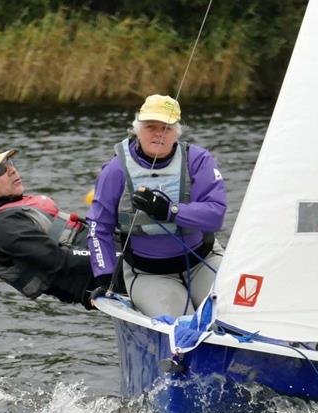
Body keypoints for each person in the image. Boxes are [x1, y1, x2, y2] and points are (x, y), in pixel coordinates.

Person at [87, 94, 227, 317]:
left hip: (203, 261)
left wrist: (171, 211)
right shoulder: (115, 170)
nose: (159, 133)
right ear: (137, 129)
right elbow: (98, 227)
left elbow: (216, 215)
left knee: (235, 313)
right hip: (149, 274)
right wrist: (104, 275)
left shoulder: (198, 160)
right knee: (183, 323)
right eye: (151, 126)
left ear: (177, 132)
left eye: (166, 128)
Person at [0, 148, 99, 308]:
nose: (12, 171)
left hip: (103, 251)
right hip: (97, 278)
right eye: (0, 170)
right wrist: (115, 257)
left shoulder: (12, 212)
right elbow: (59, 260)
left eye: (10, 163)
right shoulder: (3, 227)